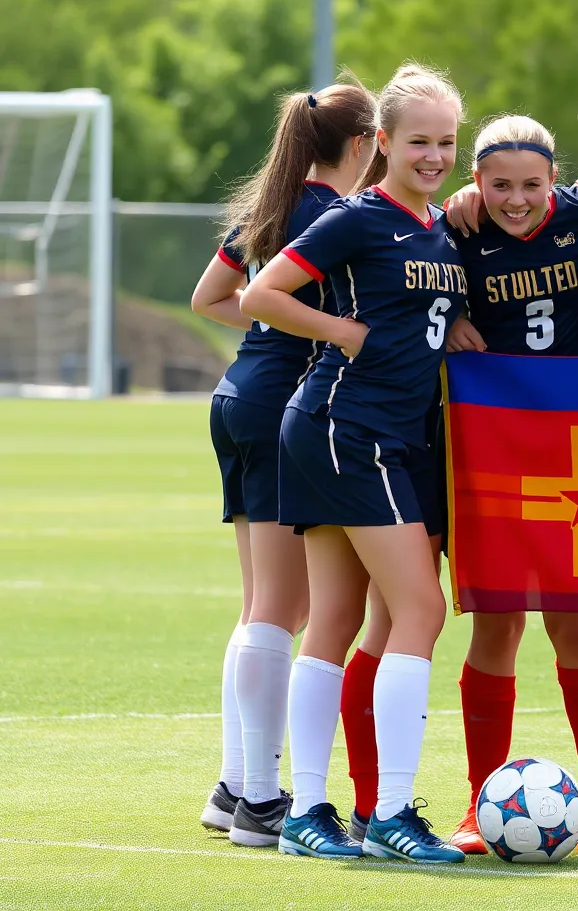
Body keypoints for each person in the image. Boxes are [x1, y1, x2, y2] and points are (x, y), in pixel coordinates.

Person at [239, 63, 468, 864]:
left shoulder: (440, 223)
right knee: (421, 611)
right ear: (381, 143)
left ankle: (307, 812)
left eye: (446, 141)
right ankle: (392, 814)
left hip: (382, 432)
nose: (435, 154)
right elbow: (260, 294)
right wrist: (342, 334)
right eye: (418, 141)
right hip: (347, 425)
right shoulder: (358, 218)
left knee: (334, 620)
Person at [191, 77, 376, 846]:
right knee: (281, 609)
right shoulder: (335, 214)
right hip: (275, 410)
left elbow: (212, 297)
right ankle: (262, 800)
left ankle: (236, 785)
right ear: (366, 145)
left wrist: (282, 331)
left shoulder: (271, 201)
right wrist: (331, 331)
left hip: (239, 393)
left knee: (261, 605)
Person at [444, 114, 578, 856]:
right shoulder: (455, 229)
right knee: (496, 624)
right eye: (498, 186)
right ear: (478, 182)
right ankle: (477, 801)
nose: (514, 200)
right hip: (491, 444)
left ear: (556, 178)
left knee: (574, 624)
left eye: (529, 184)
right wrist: (453, 312)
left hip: (575, 451)